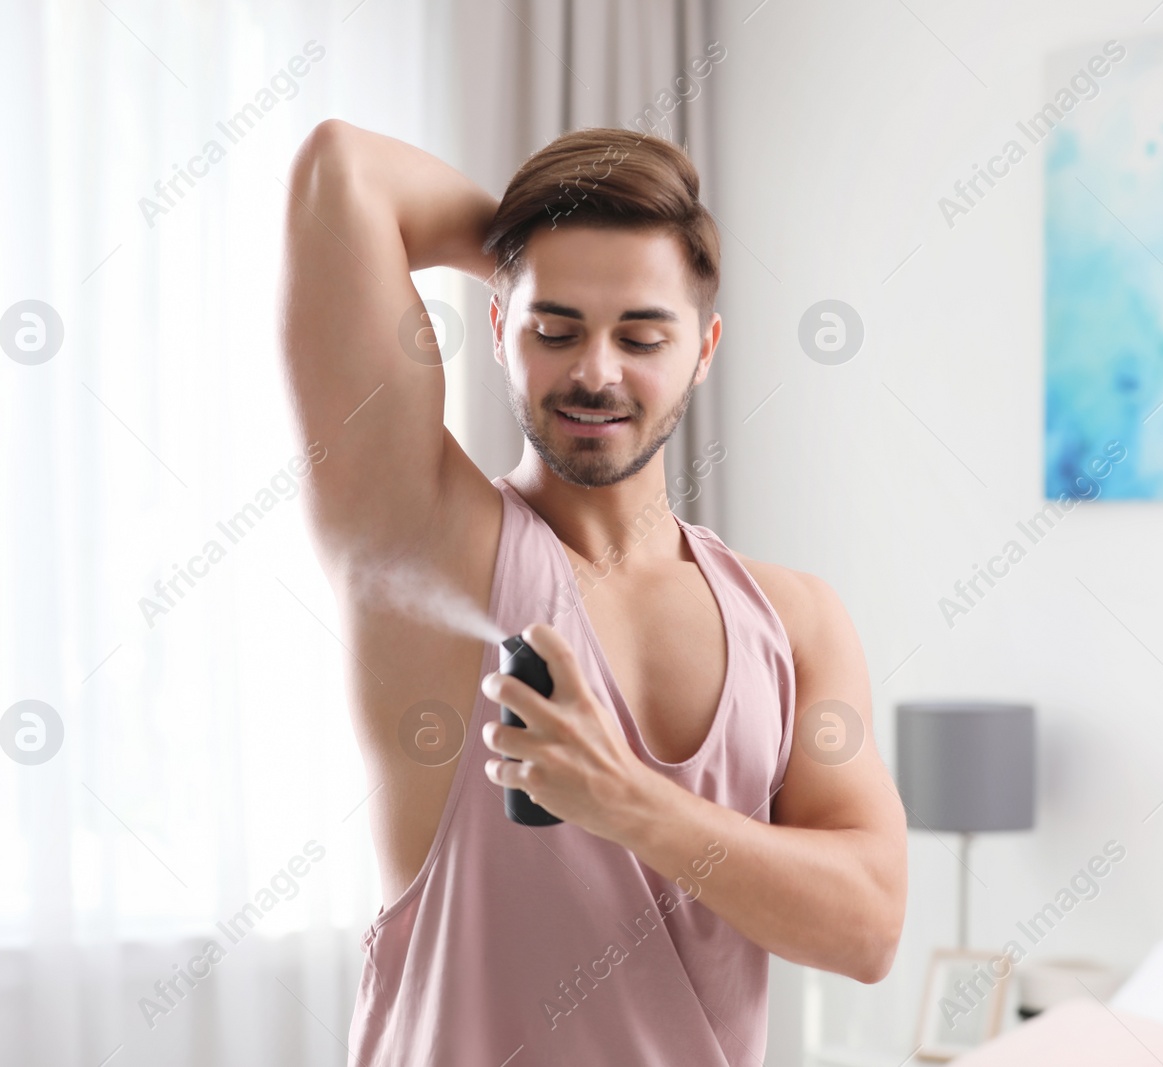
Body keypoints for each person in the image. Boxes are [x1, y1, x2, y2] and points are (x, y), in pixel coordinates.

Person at [279, 118, 908, 1066]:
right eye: (554, 326)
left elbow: (868, 927)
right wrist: (529, 236)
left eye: (642, 333)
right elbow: (343, 170)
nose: (595, 371)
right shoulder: (423, 541)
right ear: (498, 330)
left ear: (704, 349)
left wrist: (626, 802)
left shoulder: (795, 621)